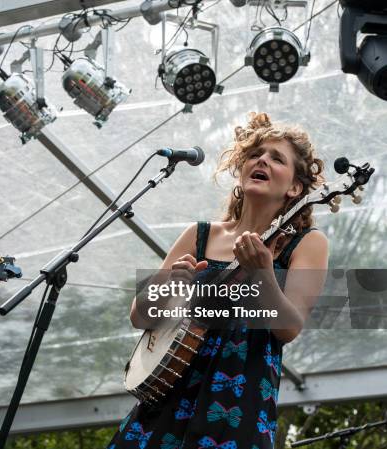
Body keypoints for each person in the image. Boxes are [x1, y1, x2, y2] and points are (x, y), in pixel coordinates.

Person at [109, 112, 328, 449]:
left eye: (276, 158)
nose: (263, 161)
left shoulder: (307, 243)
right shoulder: (198, 235)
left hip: (237, 400)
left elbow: (289, 328)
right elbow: (139, 315)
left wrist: (263, 274)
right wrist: (170, 284)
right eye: (256, 155)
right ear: (240, 173)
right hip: (167, 391)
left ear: (295, 187)